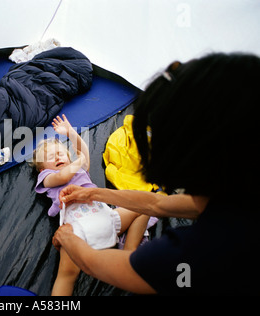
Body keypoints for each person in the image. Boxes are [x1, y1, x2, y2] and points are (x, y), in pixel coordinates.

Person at [53, 52, 260, 295]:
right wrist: (95, 194)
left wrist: (68, 239)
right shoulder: (236, 188)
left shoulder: (204, 251)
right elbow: (157, 204)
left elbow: (95, 264)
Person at [33, 114, 151, 296]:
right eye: (50, 157)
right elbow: (63, 175)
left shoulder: (79, 168)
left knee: (143, 207)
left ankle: (129, 254)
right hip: (77, 231)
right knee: (66, 275)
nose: (57, 156)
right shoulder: (47, 177)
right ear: (43, 169)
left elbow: (83, 151)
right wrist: (78, 161)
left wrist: (71, 133)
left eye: (60, 153)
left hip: (106, 217)